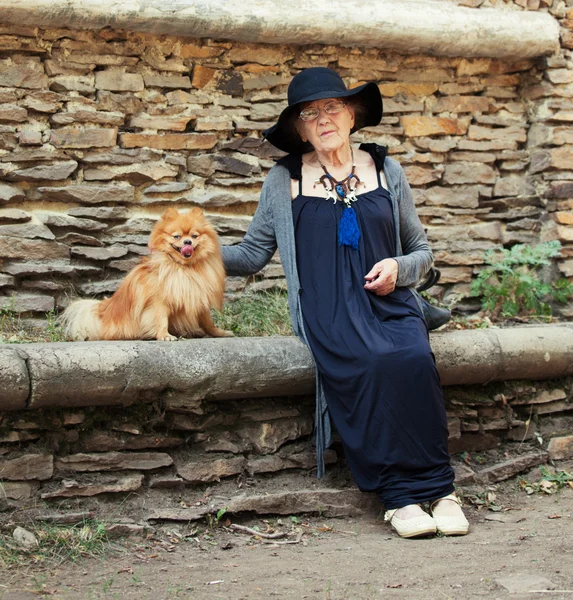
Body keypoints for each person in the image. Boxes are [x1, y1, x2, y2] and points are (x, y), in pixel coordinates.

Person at [222, 67, 469, 539]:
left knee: (414, 357)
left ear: (352, 115)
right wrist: (194, 253)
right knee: (372, 361)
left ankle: (442, 490)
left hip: (390, 303)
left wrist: (398, 268)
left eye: (332, 107)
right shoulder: (283, 180)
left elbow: (423, 252)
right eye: (309, 114)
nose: (323, 119)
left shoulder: (386, 170)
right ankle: (399, 497)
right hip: (328, 311)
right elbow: (253, 254)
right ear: (298, 130)